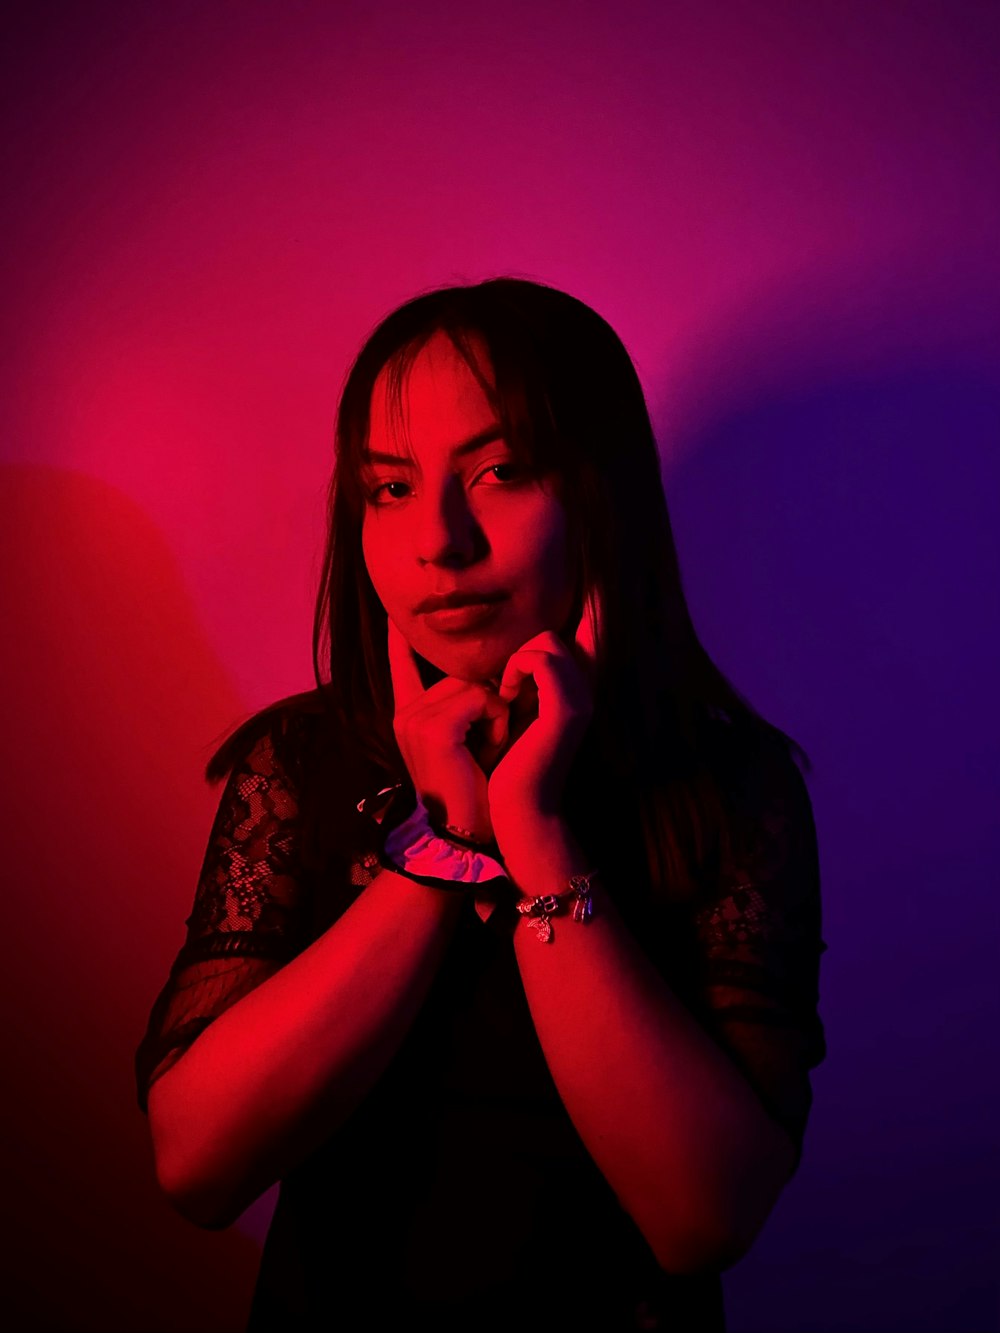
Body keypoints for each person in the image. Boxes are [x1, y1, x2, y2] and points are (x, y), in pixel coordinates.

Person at [134, 276, 827, 1331]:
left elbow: (699, 1218)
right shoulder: (299, 763)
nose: (440, 541)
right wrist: (444, 842)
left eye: (500, 472)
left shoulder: (731, 787)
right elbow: (197, 1165)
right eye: (391, 487)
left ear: (600, 490)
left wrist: (536, 829)